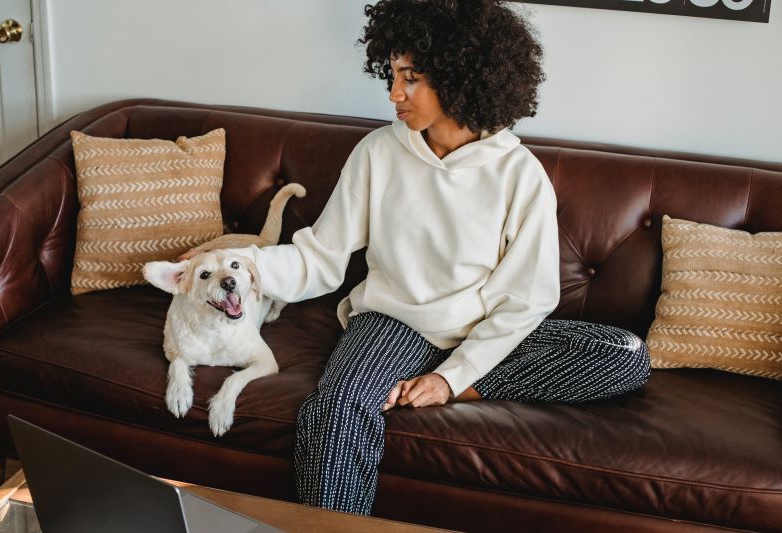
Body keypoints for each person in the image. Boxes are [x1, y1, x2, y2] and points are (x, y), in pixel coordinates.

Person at [219, 0, 649, 516]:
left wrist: (453, 377)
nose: (394, 93)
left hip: (484, 331)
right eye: (393, 74)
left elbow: (526, 299)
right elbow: (321, 258)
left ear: (462, 76)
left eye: (411, 78)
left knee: (624, 354)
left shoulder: (520, 174)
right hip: (392, 325)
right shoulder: (379, 152)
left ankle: (466, 385)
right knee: (335, 408)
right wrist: (244, 269)